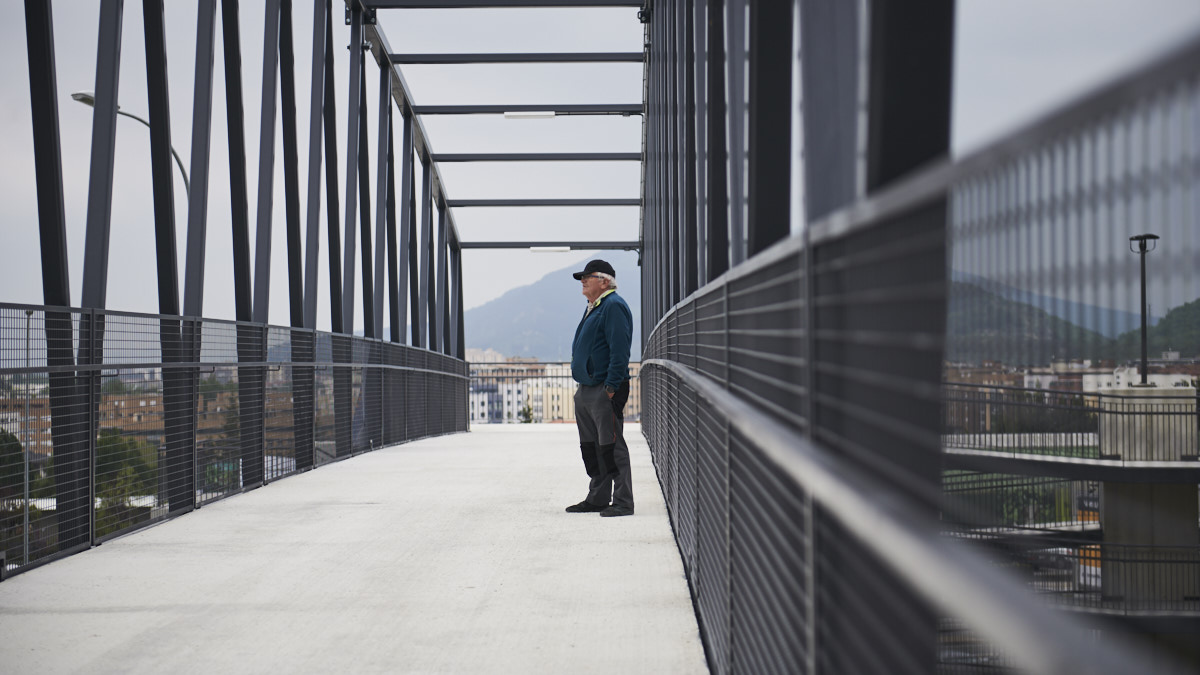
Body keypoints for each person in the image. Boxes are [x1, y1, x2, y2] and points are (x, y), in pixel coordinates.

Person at [565, 260, 634, 517]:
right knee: (592, 447)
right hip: (587, 388)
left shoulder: (613, 306)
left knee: (612, 447)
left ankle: (624, 501)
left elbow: (620, 351)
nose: (583, 280)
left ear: (605, 281)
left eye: (588, 277)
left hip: (604, 389)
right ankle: (598, 498)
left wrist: (611, 387)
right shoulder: (595, 307)